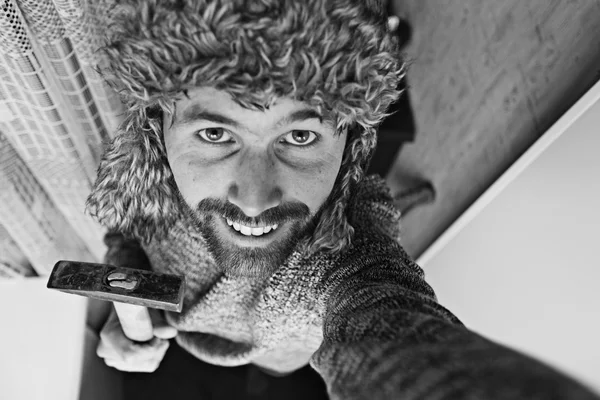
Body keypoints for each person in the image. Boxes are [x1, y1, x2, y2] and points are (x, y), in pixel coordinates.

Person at [85, 0, 600, 399]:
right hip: (203, 346)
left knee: (278, 374)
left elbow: (386, 325)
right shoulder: (144, 173)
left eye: (301, 137)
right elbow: (128, 231)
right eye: (217, 136)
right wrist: (128, 299)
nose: (256, 199)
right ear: (158, 133)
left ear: (350, 143)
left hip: (290, 357)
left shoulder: (348, 252)